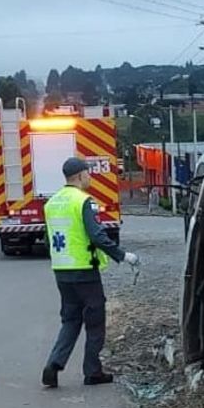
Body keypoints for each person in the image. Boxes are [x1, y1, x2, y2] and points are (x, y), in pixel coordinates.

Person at [41, 157, 139, 388]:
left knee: (70, 320)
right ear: (80, 175)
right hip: (84, 270)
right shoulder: (84, 201)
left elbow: (48, 239)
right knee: (95, 321)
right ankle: (93, 372)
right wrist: (122, 255)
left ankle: (54, 364)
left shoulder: (52, 203)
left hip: (62, 271)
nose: (90, 178)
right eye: (88, 173)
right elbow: (96, 235)